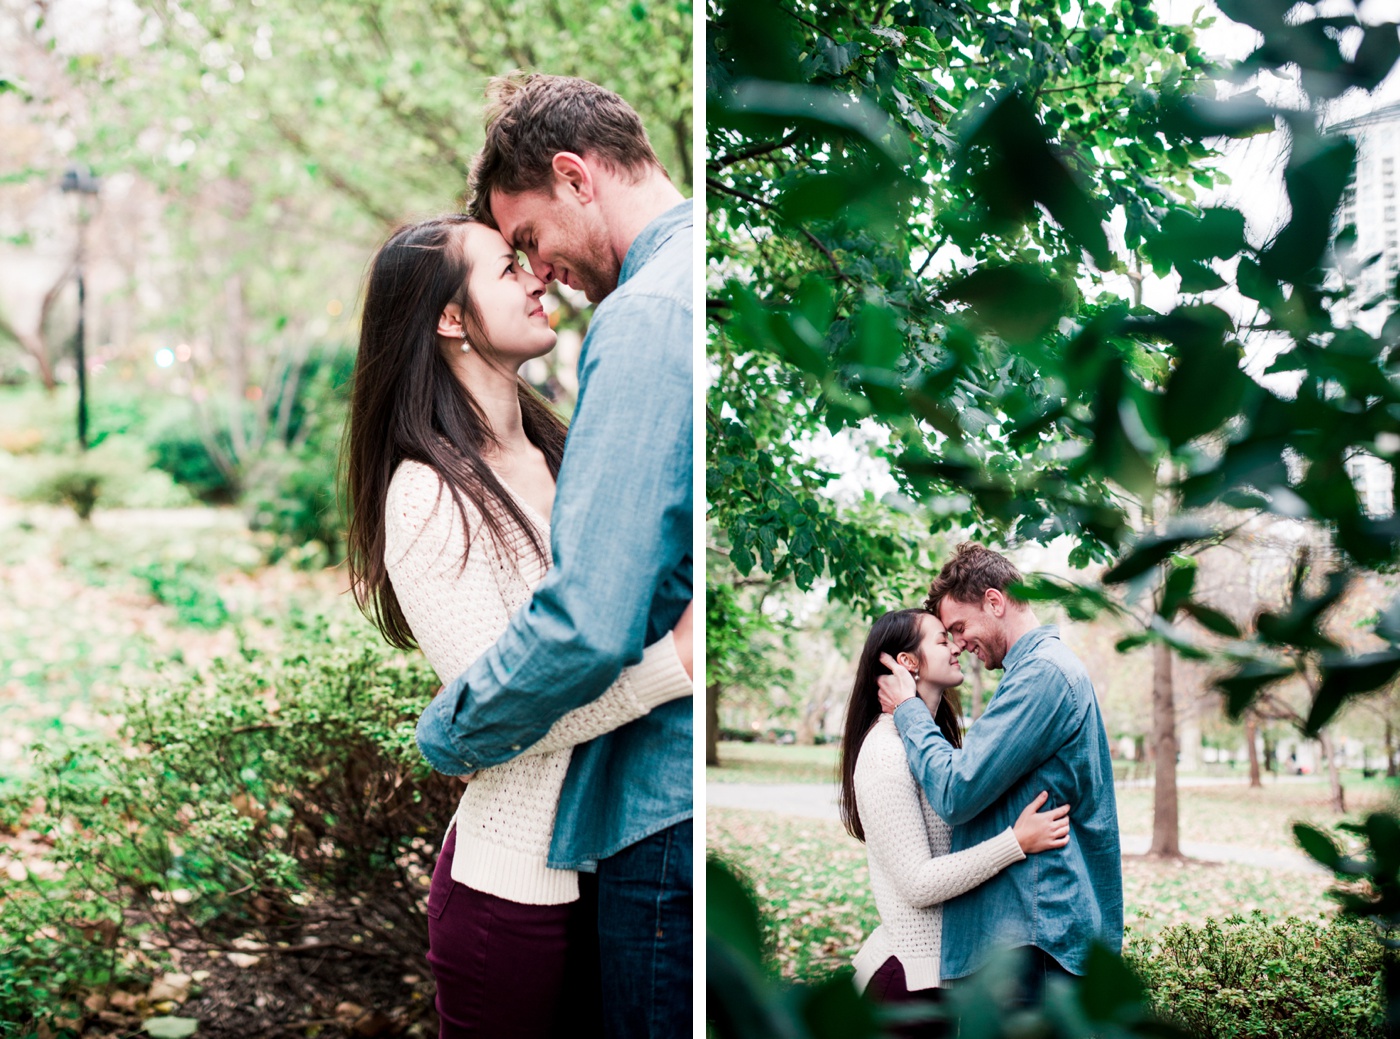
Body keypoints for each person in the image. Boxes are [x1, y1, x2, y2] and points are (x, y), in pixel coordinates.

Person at [343, 214, 695, 1037]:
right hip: (514, 897)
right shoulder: (427, 495)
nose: (537, 274)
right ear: (450, 319)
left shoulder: (565, 450)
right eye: (508, 267)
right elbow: (505, 714)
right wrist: (670, 665)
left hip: (614, 859)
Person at [875, 543, 1123, 1003]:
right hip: (1028, 934)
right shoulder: (1034, 672)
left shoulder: (1043, 676)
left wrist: (910, 710)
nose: (960, 643)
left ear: (994, 601)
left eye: (959, 627)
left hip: (1035, 935)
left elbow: (957, 789)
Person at [839, 608, 1070, 1033]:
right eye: (943, 640)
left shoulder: (934, 746)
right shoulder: (885, 752)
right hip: (905, 985)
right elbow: (918, 882)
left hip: (942, 985)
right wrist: (1015, 842)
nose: (957, 646)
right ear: (908, 662)